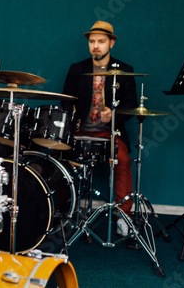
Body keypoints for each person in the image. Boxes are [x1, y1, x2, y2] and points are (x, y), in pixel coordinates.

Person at [61, 21, 138, 236]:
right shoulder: (77, 70)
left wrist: (114, 114)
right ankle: (60, 211)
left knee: (122, 160)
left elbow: (131, 105)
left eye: (101, 41)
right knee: (57, 157)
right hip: (79, 131)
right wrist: (73, 121)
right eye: (92, 41)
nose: (96, 46)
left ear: (111, 43)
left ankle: (124, 215)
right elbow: (66, 102)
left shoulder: (125, 70)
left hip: (110, 132)